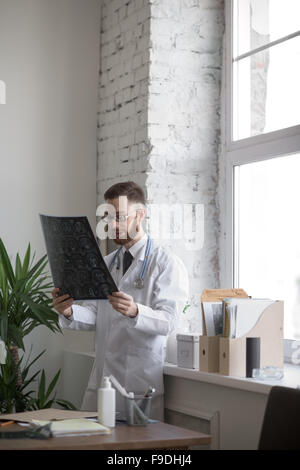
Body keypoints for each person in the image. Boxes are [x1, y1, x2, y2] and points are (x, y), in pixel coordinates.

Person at [52, 181, 189, 420]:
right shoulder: (107, 262)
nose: (113, 225)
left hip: (138, 383)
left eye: (120, 217)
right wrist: (68, 311)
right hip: (103, 380)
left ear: (140, 215)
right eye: (108, 217)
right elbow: (95, 314)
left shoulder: (165, 263)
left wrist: (136, 311)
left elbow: (170, 321)